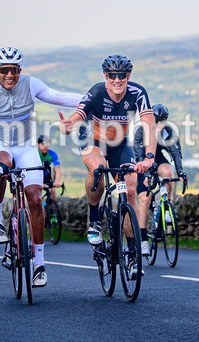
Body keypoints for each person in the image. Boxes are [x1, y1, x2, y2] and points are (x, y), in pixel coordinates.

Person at [0, 46, 82, 288]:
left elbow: (59, 97)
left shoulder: (31, 84)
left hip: (26, 146)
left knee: (34, 199)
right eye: (4, 70)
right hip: (1, 146)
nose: (9, 75)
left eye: (14, 70)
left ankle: (39, 263)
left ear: (20, 70)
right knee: (3, 163)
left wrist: (91, 100)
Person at [60, 54, 157, 277]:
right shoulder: (97, 91)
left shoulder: (137, 92)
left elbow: (149, 124)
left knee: (131, 188)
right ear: (106, 75)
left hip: (120, 144)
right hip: (93, 141)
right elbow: (78, 114)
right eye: (112, 75)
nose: (117, 80)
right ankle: (94, 221)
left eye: (121, 75)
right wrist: (68, 124)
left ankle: (132, 254)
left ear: (128, 76)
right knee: (97, 169)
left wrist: (149, 157)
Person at [134, 103, 188, 255]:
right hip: (141, 162)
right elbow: (138, 154)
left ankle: (166, 205)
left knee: (167, 173)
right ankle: (143, 239)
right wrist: (145, 176)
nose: (160, 124)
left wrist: (181, 172)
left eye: (163, 120)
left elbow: (175, 153)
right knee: (145, 198)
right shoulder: (141, 131)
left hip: (157, 159)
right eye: (157, 120)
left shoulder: (167, 132)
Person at [37, 135, 63, 200]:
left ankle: (50, 209)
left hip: (46, 177)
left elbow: (57, 169)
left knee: (52, 192)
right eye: (43, 144)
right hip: (36, 176)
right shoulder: (35, 154)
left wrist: (57, 181)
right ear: (38, 144)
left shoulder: (52, 154)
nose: (46, 146)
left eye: (47, 144)